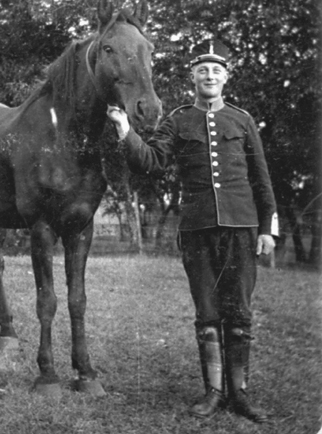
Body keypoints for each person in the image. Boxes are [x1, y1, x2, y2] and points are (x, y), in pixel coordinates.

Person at [107, 38, 278, 423]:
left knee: (240, 311)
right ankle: (213, 393)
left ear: (226, 78)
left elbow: (261, 178)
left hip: (241, 227)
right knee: (207, 312)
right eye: (203, 71)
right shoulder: (179, 120)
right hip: (197, 230)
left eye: (216, 71)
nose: (210, 76)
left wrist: (268, 227)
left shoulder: (242, 120)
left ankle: (240, 394)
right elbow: (151, 162)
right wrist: (124, 129)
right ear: (194, 78)